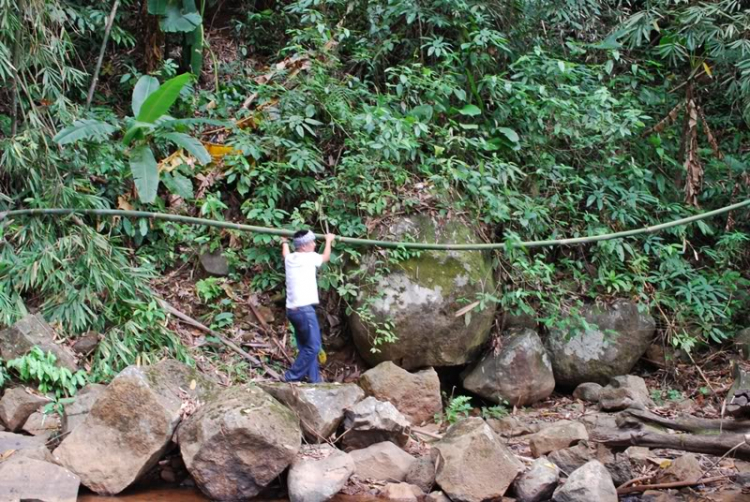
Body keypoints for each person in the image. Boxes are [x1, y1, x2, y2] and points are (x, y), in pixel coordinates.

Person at [280, 230, 335, 383]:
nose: (315, 244)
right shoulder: (308, 258)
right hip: (304, 310)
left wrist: (284, 241)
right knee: (314, 346)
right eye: (312, 242)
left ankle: (314, 379)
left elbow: (286, 254)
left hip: (292, 311)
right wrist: (329, 240)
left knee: (306, 346)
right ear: (304, 247)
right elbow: (326, 257)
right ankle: (290, 376)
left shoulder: (291, 259)